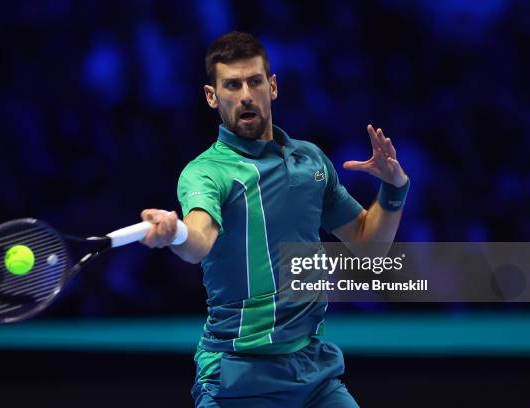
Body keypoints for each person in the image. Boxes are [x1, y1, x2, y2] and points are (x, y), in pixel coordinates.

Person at [140, 31, 409, 407]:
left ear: (273, 86)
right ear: (212, 96)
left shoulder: (311, 161)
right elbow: (198, 239)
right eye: (232, 85)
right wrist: (175, 232)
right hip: (238, 376)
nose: (246, 94)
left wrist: (394, 189)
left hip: (314, 372)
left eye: (254, 81)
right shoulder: (206, 172)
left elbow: (369, 244)